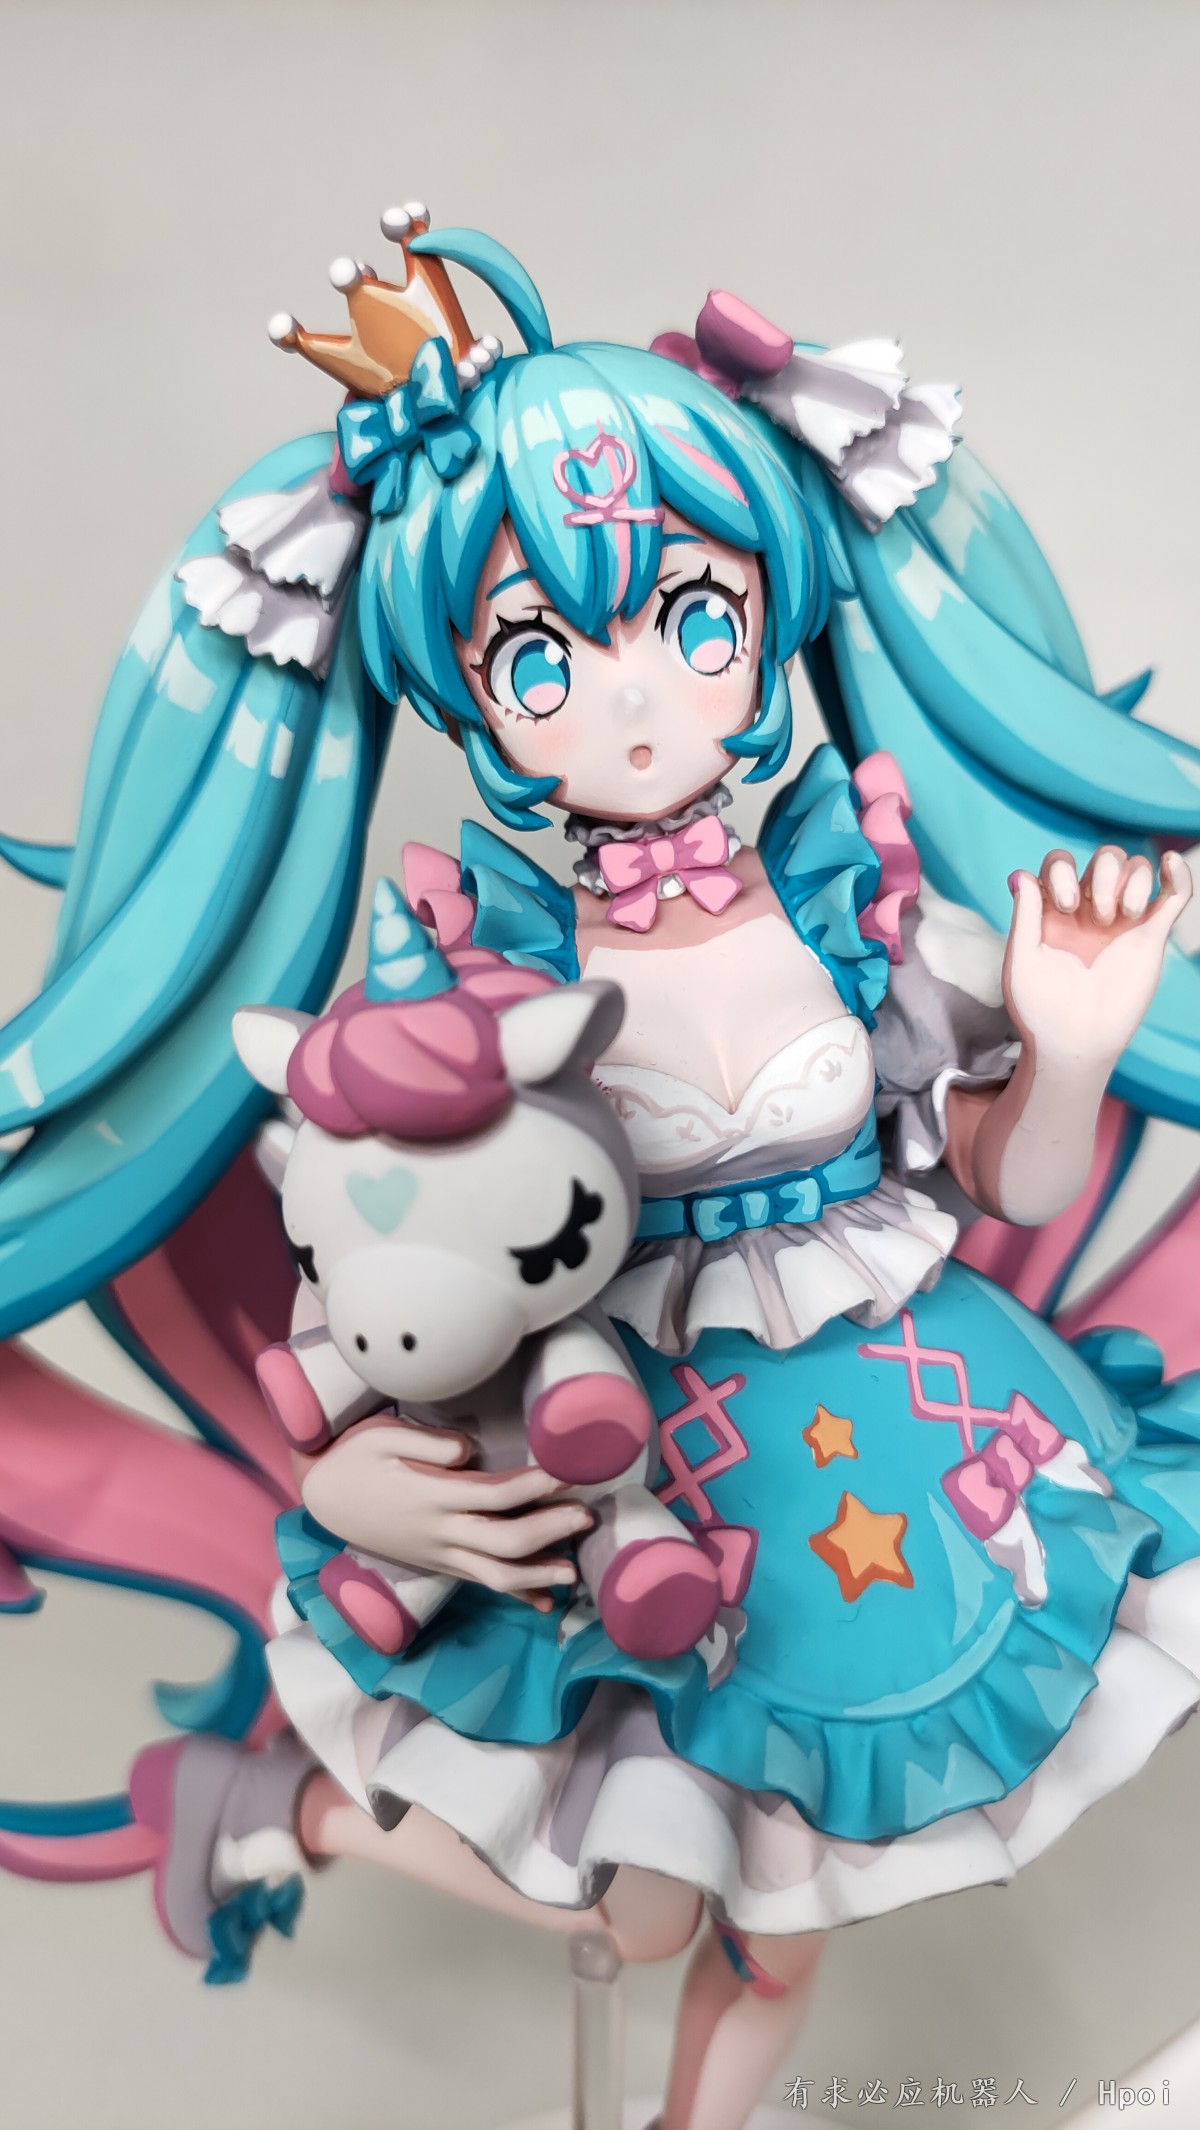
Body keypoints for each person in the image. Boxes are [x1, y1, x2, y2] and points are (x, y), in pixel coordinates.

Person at [3, 209, 1199, 2130]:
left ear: (773, 613)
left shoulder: (857, 891)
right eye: (545, 656)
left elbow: (1014, 1184)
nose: (635, 696)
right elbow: (382, 1279)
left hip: (917, 1430)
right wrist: (347, 1474)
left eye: (693, 620)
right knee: (647, 1916)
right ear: (468, 691)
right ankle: (291, 1809)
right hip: (642, 1479)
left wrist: (1064, 1042)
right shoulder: (479, 972)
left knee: (786, 1923)